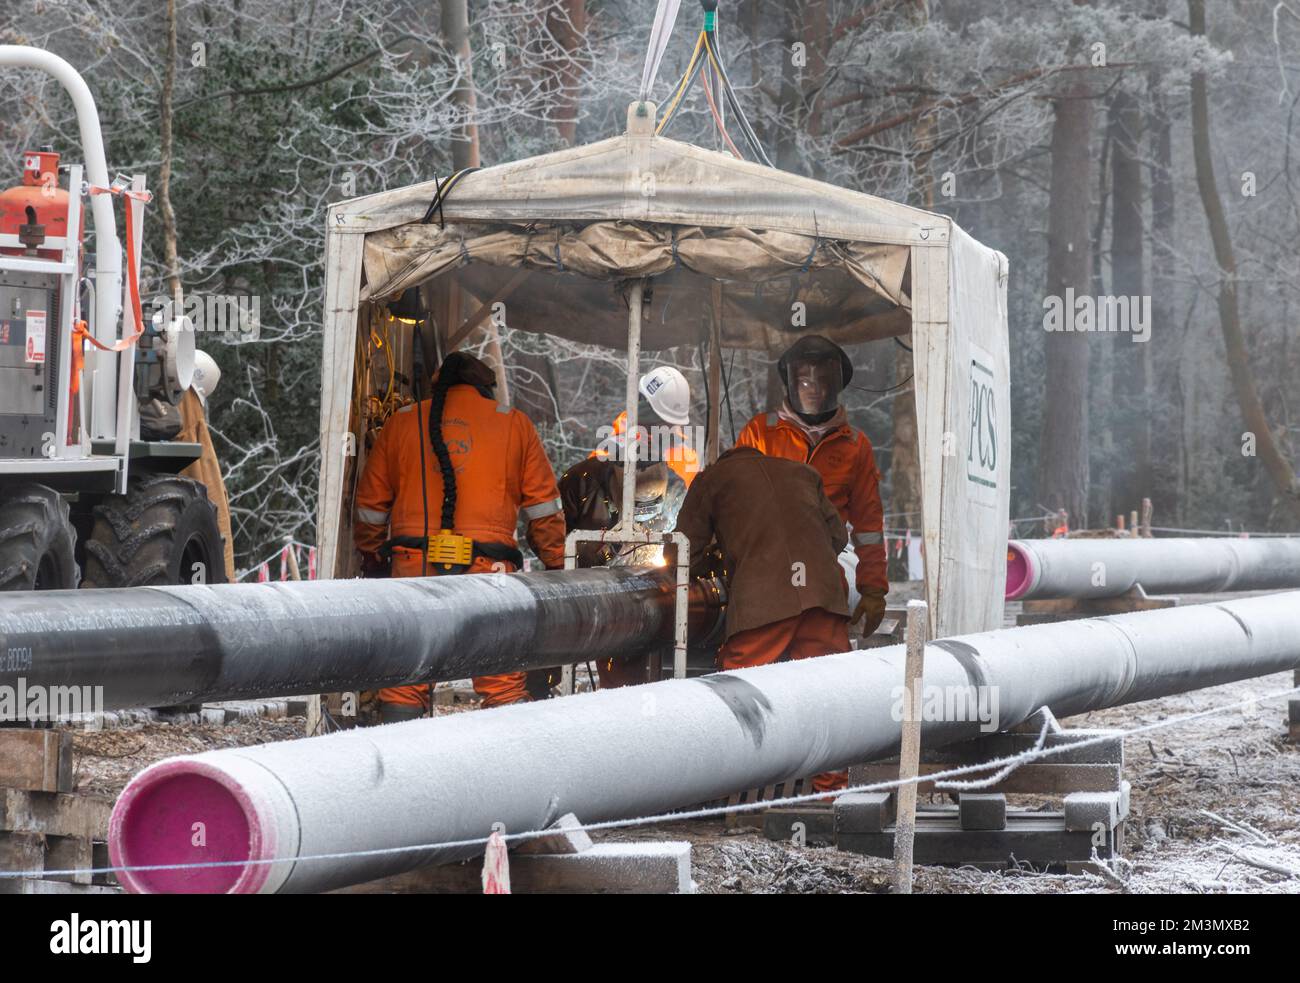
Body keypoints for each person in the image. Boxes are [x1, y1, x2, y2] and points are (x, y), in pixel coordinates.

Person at [353, 351, 565, 721]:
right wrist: (556, 562)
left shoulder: (402, 423)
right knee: (501, 675)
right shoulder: (513, 424)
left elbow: (370, 505)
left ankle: (401, 761)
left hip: (412, 567)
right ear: (485, 387)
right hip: (489, 570)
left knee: (406, 673)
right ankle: (511, 760)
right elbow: (544, 508)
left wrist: (372, 555)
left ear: (437, 385)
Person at [674, 445, 850, 793]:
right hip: (823, 596)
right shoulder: (802, 471)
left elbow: (684, 551)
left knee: (739, 694)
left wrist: (712, 564)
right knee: (829, 694)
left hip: (764, 601)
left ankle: (735, 790)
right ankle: (830, 793)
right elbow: (838, 537)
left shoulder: (712, 479)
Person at [736, 335, 888, 638]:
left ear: (836, 386)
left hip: (825, 576)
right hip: (763, 574)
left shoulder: (855, 446)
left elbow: (868, 526)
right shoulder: (760, 434)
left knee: (823, 664)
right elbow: (733, 503)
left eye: (822, 381)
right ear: (790, 383)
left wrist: (872, 589)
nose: (813, 389)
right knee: (752, 665)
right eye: (804, 380)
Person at [558, 449, 686, 688]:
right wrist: (602, 552)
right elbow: (553, 544)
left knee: (627, 656)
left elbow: (686, 539)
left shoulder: (677, 488)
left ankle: (625, 698)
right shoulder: (581, 482)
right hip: (588, 581)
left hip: (641, 589)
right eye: (636, 507)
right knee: (556, 636)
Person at [590, 365, 700, 488]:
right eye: (661, 422)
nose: (666, 428)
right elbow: (586, 492)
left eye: (670, 423)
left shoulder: (685, 456)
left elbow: (698, 498)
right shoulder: (611, 450)